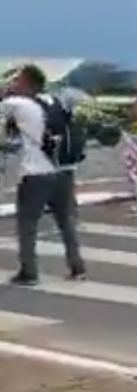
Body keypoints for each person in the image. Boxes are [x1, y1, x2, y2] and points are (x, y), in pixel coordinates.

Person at [0, 64, 86, 285]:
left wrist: (6, 92)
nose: (14, 84)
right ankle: (77, 267)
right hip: (64, 172)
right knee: (66, 221)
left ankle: (29, 272)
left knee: (27, 224)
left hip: (36, 174)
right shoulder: (53, 101)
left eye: (17, 80)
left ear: (26, 83)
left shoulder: (19, 103)